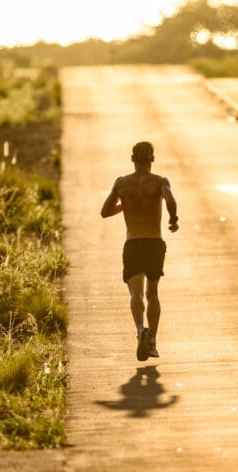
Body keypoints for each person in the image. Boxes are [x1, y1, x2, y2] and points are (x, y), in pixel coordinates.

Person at [101, 141, 179, 361]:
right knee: (152, 293)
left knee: (135, 293)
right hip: (154, 242)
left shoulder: (122, 183)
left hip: (133, 243)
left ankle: (139, 330)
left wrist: (127, 203)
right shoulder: (160, 181)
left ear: (132, 159)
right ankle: (152, 341)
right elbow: (170, 200)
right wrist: (173, 220)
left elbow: (105, 211)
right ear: (152, 159)